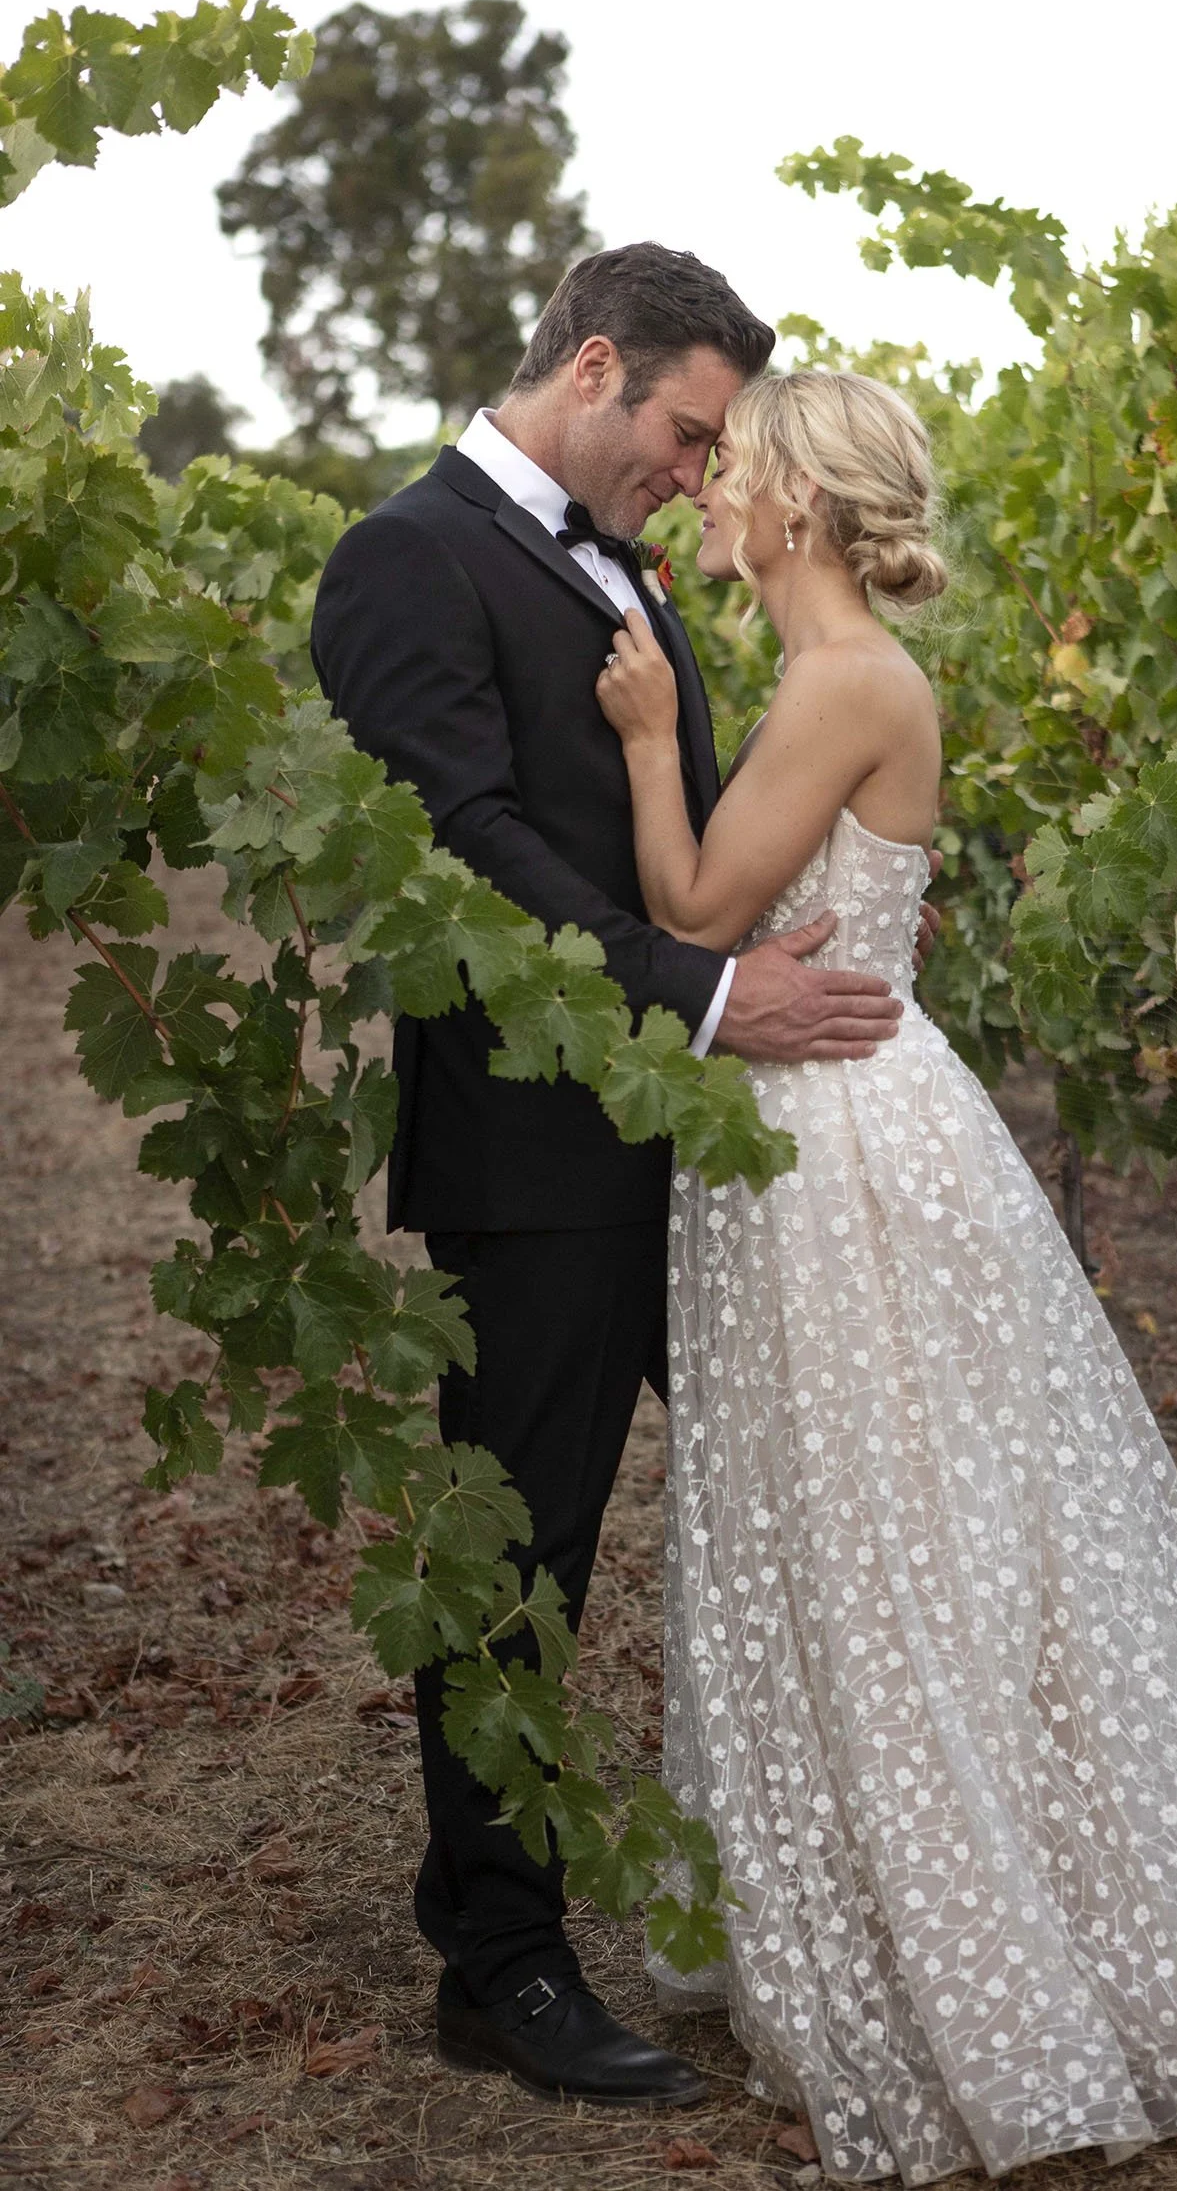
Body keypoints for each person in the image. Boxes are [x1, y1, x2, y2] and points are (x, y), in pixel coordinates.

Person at [593, 366, 1177, 2183]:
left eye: (733, 469)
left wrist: (642, 740)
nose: (706, 493)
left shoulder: (839, 685)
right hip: (837, 1118)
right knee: (910, 1523)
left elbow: (688, 913)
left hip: (837, 1145)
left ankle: (990, 1952)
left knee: (888, 1533)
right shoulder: (835, 678)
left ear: (804, 510)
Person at [310, 247, 939, 2108]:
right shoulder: (404, 557)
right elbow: (468, 845)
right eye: (683, 429)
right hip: (538, 1155)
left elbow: (683, 830)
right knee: (525, 1552)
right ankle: (499, 1956)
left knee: (819, 1511)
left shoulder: (622, 559)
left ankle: (874, 1886)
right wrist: (710, 987)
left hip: (709, 1146)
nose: (695, 467)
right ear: (593, 366)